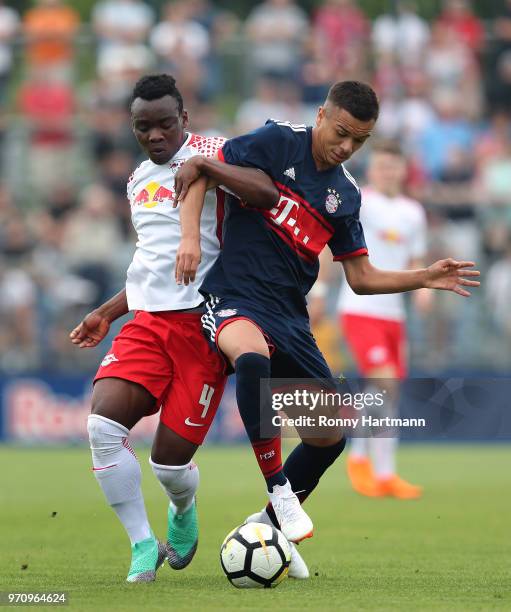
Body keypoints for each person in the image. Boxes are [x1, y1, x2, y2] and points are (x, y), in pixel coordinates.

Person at [173, 80, 481, 577]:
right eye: (341, 133)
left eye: (359, 141)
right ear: (321, 114)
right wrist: (190, 238)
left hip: (291, 316)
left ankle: (268, 528)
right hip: (233, 295)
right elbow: (200, 173)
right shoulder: (274, 142)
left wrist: (423, 276)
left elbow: (360, 278)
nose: (346, 147)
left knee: (330, 434)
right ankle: (278, 487)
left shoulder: (344, 194)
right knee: (252, 358)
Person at [69, 74, 279, 583]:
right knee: (102, 428)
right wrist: (108, 311)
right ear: (133, 128)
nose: (156, 135)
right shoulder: (137, 177)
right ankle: (143, 544)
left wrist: (209, 166)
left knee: (168, 464)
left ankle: (181, 509)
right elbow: (154, 259)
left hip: (204, 326)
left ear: (183, 118)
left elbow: (268, 193)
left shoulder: (218, 150)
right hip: (145, 324)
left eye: (165, 123)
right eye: (144, 127)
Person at [335, 140, 429, 499]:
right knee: (385, 382)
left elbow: (415, 259)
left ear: (403, 170)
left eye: (393, 166)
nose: (388, 172)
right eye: (381, 166)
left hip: (394, 315)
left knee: (386, 392)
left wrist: (422, 289)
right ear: (372, 169)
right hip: (361, 308)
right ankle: (358, 457)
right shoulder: (362, 202)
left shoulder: (413, 212)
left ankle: (385, 474)